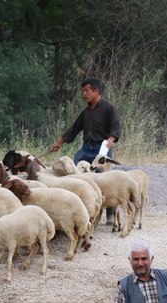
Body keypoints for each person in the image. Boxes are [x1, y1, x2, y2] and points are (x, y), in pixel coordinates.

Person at [50, 77, 122, 224]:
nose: (84, 94)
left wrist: (110, 140)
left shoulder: (109, 108)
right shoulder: (86, 112)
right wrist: (59, 143)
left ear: (96, 91)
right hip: (86, 149)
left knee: (105, 180)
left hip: (101, 150)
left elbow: (116, 128)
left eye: (86, 91)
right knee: (75, 175)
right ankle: (80, 211)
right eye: (83, 91)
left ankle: (109, 213)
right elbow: (74, 130)